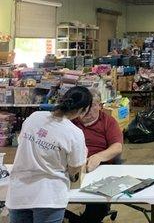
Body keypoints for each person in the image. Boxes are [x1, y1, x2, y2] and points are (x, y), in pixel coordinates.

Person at [6, 87, 92, 223]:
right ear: (84, 109)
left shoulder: (34, 117)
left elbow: (22, 143)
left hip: (19, 193)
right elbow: (74, 169)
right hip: (49, 197)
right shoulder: (74, 133)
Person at [65, 89, 123, 223]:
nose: (88, 112)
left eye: (93, 106)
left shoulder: (108, 121)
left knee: (96, 205)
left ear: (100, 106)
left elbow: (117, 147)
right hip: (70, 167)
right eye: (84, 108)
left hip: (98, 170)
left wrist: (98, 157)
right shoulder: (70, 121)